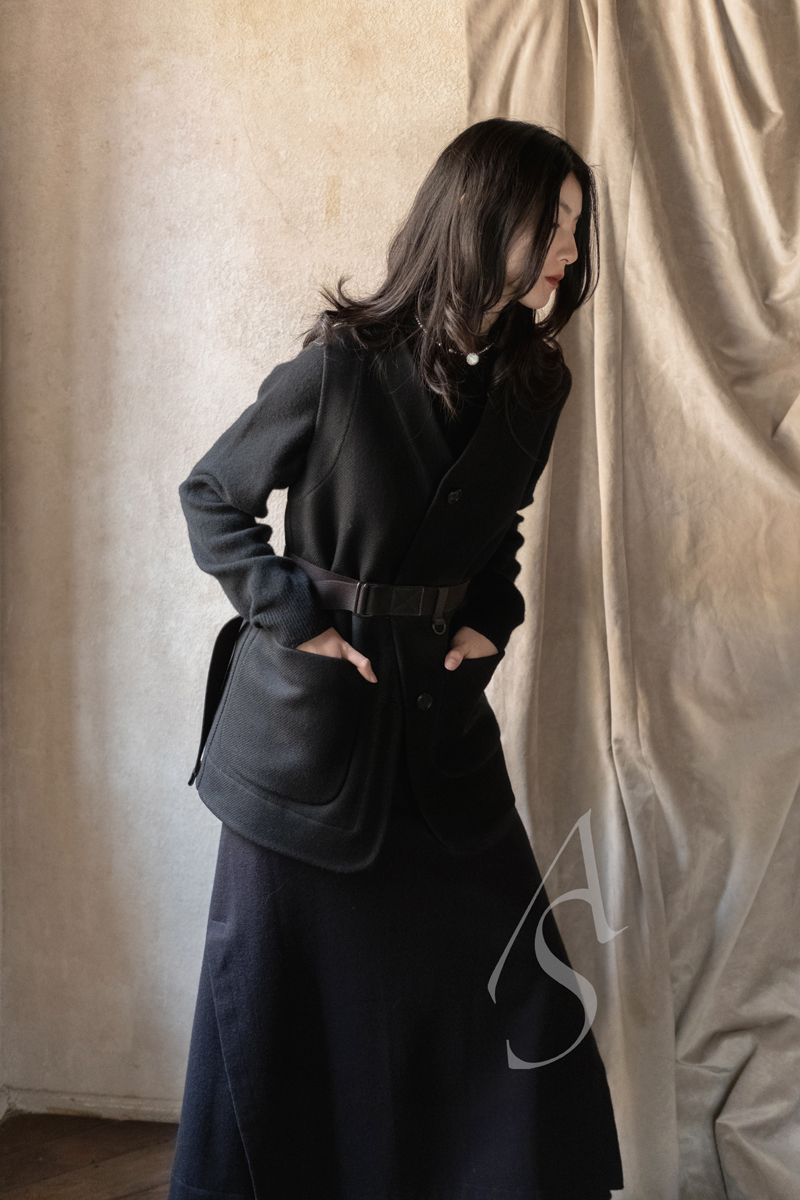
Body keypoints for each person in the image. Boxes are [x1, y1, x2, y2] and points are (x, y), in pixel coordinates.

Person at [168, 118, 624, 1200]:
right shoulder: (341, 365)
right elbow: (213, 498)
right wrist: (298, 620)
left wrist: (491, 620)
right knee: (285, 1014)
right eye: (550, 222)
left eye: (574, 225)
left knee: (517, 999)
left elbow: (497, 533)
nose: (568, 249)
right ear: (480, 217)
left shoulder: (534, 383)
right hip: (307, 746)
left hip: (440, 742)